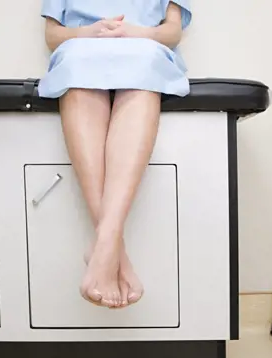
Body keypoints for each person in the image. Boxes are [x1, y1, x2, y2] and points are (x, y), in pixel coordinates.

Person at [39, 0, 192, 309]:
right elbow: (53, 36)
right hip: (81, 49)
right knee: (76, 60)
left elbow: (172, 32)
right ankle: (114, 250)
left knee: (145, 59)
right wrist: (88, 32)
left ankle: (104, 244)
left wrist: (134, 32)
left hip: (144, 47)